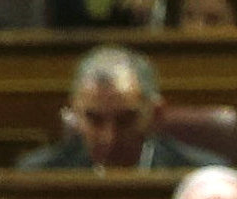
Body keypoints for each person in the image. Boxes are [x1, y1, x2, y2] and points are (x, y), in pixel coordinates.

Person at [23, 45, 218, 173]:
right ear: (74, 114)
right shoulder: (39, 174)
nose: (110, 137)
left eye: (125, 120)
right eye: (95, 120)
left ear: (156, 114)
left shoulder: (200, 174)